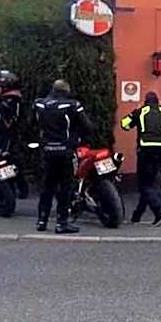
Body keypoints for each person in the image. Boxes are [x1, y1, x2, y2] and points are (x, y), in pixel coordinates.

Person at [33, 79, 94, 234]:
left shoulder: (40, 104)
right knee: (65, 187)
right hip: (65, 151)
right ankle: (62, 222)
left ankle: (42, 220)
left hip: (46, 150)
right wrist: (81, 138)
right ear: (66, 91)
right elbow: (87, 126)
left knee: (47, 186)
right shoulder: (72, 105)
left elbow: (32, 124)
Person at [121, 91, 161, 226]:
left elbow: (124, 124)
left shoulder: (141, 111)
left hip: (145, 151)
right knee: (149, 184)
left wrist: (137, 110)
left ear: (146, 101)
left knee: (144, 185)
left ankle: (159, 213)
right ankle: (137, 216)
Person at [0, 69, 28, 199]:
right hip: (4, 133)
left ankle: (15, 187)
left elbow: (4, 116)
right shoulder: (9, 98)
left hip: (9, 134)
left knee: (7, 159)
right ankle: (14, 186)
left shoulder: (13, 99)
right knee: (9, 159)